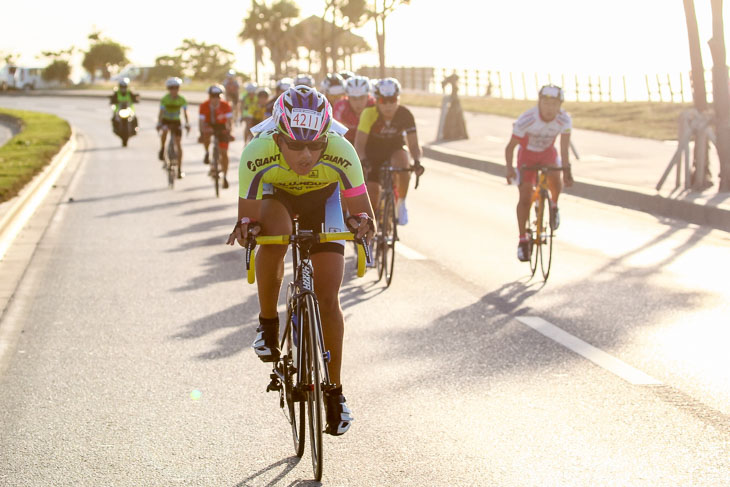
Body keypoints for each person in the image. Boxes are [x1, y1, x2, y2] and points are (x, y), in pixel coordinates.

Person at [226, 85, 375, 436]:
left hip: (324, 201)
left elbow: (364, 213)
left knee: (327, 298)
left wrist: (362, 224)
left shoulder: (342, 150)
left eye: (315, 144)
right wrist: (248, 230)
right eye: (295, 145)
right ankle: (267, 325)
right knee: (273, 236)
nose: (306, 155)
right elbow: (248, 218)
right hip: (277, 198)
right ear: (278, 140)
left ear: (327, 137)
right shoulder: (256, 152)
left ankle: (335, 393)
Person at [505, 84, 573, 262]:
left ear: (560, 106)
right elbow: (510, 147)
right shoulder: (526, 119)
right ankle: (522, 240)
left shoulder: (564, 120)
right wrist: (509, 168)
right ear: (539, 103)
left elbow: (564, 149)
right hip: (526, 156)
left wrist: (567, 170)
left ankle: (554, 206)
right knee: (525, 198)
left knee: (556, 180)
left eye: (554, 104)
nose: (550, 108)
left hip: (547, 154)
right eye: (546, 103)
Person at [354, 77, 423, 225]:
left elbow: (414, 145)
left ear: (398, 99)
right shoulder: (369, 114)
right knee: (372, 193)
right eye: (383, 101)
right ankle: (370, 227)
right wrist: (363, 160)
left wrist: (417, 161)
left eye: (392, 99)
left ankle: (401, 204)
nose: (388, 105)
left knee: (404, 163)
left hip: (394, 149)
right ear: (376, 100)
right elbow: (359, 144)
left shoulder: (405, 114)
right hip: (373, 152)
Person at [199, 84, 234, 188]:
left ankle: (225, 176)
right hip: (209, 124)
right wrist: (201, 133)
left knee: (224, 153)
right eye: (212, 96)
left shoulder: (226, 105)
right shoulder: (204, 105)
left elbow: (229, 122)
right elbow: (201, 121)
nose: (215, 98)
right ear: (209, 96)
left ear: (220, 96)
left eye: (217, 96)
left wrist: (229, 132)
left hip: (221, 126)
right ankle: (206, 152)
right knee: (205, 134)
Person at [157, 77, 191, 178]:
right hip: (166, 120)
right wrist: (159, 123)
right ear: (168, 89)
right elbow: (161, 112)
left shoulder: (182, 99)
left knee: (178, 144)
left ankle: (180, 169)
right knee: (164, 131)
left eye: (176, 88)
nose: (174, 90)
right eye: (171, 88)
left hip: (176, 121)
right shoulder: (165, 99)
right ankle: (163, 148)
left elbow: (185, 113)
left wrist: (187, 123)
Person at [333, 75, 374, 145]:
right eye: (354, 98)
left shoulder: (374, 105)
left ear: (368, 96)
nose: (358, 103)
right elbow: (334, 132)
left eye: (362, 98)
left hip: (370, 142)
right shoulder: (340, 106)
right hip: (346, 143)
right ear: (347, 97)